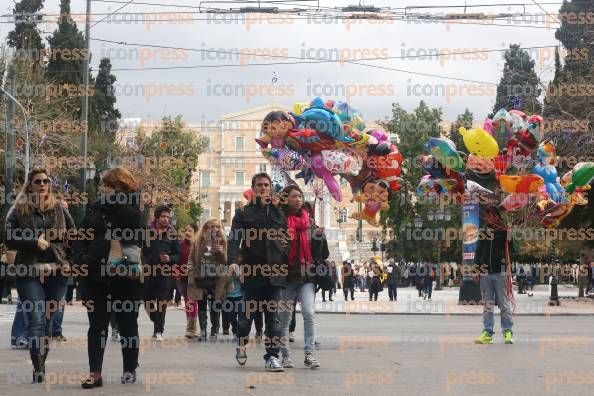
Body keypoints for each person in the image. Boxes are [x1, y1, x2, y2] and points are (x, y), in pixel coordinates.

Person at [73, 167, 145, 388]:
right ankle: (95, 372)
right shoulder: (96, 207)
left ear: (122, 186)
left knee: (127, 324)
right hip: (96, 273)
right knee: (97, 326)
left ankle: (129, 369)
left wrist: (115, 202)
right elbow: (81, 234)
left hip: (125, 274)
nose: (104, 189)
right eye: (104, 186)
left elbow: (137, 227)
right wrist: (81, 261)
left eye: (109, 185)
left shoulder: (136, 205)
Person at [5, 167, 76, 383]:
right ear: (30, 185)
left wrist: (70, 263)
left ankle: (41, 360)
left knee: (47, 320)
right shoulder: (18, 209)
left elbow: (73, 236)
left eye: (45, 181)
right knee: (36, 319)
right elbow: (8, 237)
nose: (42, 185)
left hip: (57, 270)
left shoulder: (59, 208)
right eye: (38, 181)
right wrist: (34, 241)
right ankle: (38, 369)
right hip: (29, 271)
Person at [228, 172, 289, 372]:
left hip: (275, 273)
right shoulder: (244, 214)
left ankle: (271, 357)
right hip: (253, 272)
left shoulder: (279, 212)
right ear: (253, 189)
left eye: (267, 185)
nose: (264, 188)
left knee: (274, 319)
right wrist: (233, 261)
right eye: (260, 185)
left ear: (271, 188)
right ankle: (241, 342)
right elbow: (234, 239)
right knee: (246, 319)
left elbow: (286, 238)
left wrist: (285, 251)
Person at [277, 185, 321, 369]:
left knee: (309, 313)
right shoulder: (279, 220)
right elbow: (274, 249)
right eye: (294, 196)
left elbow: (320, 253)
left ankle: (309, 354)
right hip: (287, 275)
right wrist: (280, 242)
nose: (298, 199)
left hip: (306, 274)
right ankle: (286, 355)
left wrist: (320, 238)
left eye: (300, 196)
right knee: (285, 318)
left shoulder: (309, 220)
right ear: (286, 199)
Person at [474, 208, 515, 345]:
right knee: (488, 304)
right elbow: (479, 251)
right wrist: (476, 269)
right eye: (486, 215)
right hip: (485, 272)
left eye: (489, 215)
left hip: (501, 272)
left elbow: (512, 251)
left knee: (504, 303)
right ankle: (487, 333)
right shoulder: (483, 231)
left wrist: (510, 237)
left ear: (496, 216)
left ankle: (507, 331)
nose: (486, 218)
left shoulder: (504, 230)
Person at [187, 218, 230, 341]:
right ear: (206, 228)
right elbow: (190, 258)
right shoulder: (198, 241)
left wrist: (222, 253)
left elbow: (227, 262)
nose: (214, 229)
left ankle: (214, 330)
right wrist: (190, 270)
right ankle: (203, 331)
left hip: (216, 278)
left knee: (215, 305)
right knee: (201, 304)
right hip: (201, 277)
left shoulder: (223, 242)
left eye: (217, 227)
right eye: (212, 226)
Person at [142, 205, 181, 341]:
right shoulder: (147, 231)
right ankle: (156, 319)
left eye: (167, 217)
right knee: (146, 300)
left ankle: (158, 331)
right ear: (157, 217)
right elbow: (141, 250)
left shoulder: (172, 233)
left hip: (164, 273)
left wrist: (170, 258)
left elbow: (178, 254)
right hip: (148, 272)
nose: (166, 219)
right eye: (163, 216)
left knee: (161, 302)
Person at [175, 223, 199, 338]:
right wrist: (177, 273)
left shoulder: (199, 245)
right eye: (186, 230)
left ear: (195, 232)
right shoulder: (180, 245)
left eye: (190, 230)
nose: (187, 233)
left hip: (195, 279)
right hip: (183, 279)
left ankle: (192, 329)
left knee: (192, 302)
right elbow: (175, 261)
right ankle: (191, 328)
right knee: (188, 302)